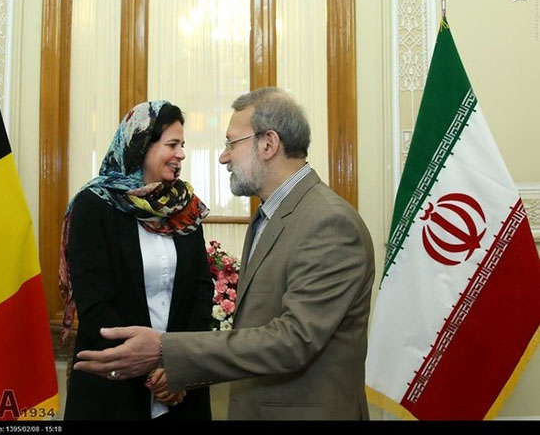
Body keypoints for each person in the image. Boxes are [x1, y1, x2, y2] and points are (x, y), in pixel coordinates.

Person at [73, 87, 375, 420]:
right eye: (172, 144)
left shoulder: (328, 223)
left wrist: (165, 353)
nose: (223, 157)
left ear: (268, 144)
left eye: (231, 143)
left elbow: (294, 339)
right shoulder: (268, 216)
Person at [60, 100, 213, 420]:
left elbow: (201, 290)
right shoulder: (93, 205)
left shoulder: (184, 207)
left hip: (182, 390)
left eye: (183, 145)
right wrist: (154, 368)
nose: (181, 154)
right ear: (141, 145)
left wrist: (178, 367)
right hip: (114, 387)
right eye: (172, 144)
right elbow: (95, 304)